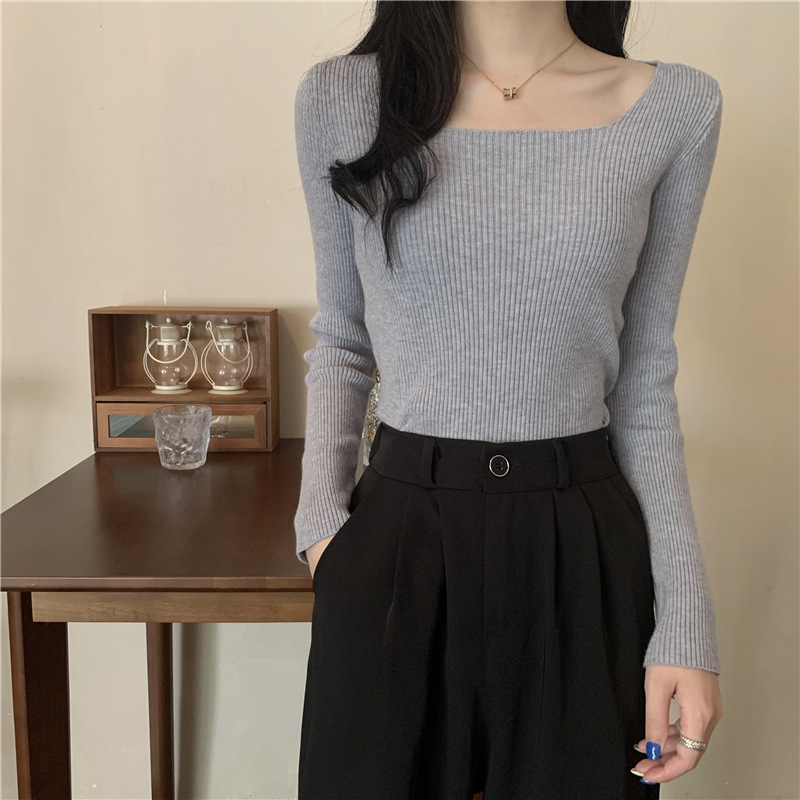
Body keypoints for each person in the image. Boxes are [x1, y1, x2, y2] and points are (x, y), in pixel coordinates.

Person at [292, 1, 724, 797]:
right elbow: (344, 339)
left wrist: (686, 623)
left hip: (583, 553)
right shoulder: (343, 98)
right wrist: (325, 535)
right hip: (396, 545)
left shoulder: (675, 108)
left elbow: (643, 378)